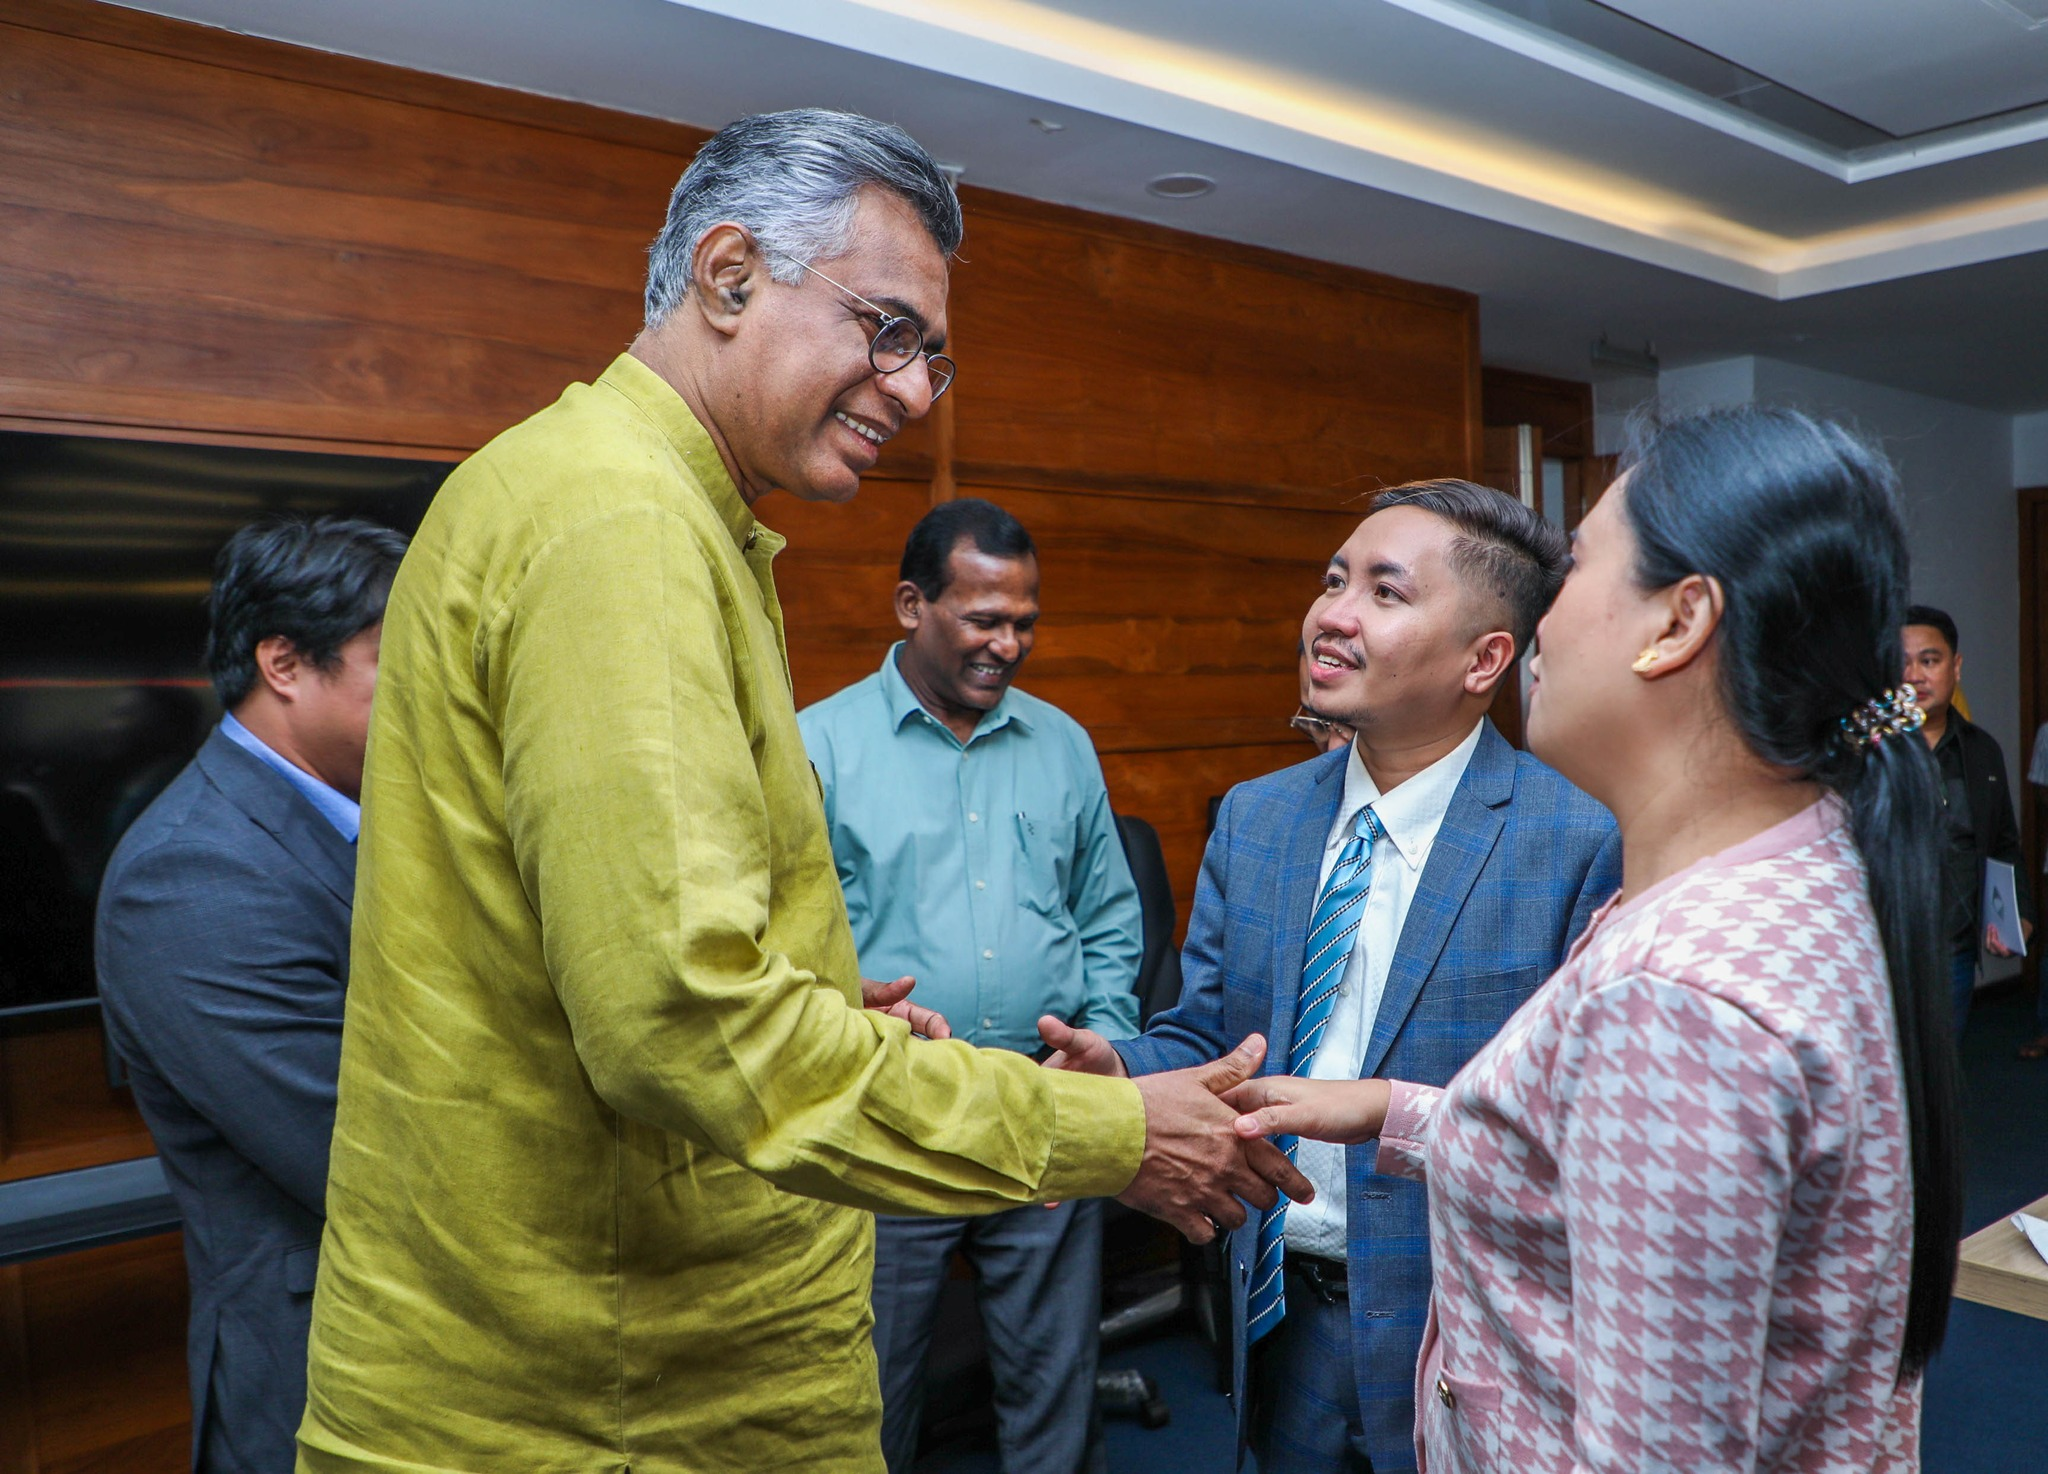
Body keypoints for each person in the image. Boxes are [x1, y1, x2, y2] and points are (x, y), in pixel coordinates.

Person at [297, 109, 1307, 1474]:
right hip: (608, 1396)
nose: (915, 390)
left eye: (934, 356)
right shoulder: (624, 527)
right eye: (888, 330)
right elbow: (682, 1018)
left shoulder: (646, 505)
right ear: (726, 276)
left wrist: (827, 994)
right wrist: (1107, 1129)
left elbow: (622, 951)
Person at [1226, 407, 1963, 1473]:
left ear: (1676, 623)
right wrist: (1390, 1110)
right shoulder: (1791, 875)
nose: (1537, 628)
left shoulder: (1677, 996)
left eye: (1571, 573)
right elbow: (1613, 1157)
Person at [1044, 480, 1620, 1473]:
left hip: (1466, 1326)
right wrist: (1122, 1069)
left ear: (1483, 658)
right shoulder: (1256, 816)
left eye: (1384, 593)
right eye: (1331, 579)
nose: (1331, 613)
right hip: (1278, 1311)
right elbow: (1213, 1036)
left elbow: (1583, 1126)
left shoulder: (1575, 838)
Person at [800, 498, 1143, 1474]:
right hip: (888, 1115)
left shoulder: (1062, 744)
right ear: (911, 604)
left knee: (1054, 1395)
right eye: (983, 618)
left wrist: (1102, 1048)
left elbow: (1108, 913)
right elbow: (778, 948)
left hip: (1043, 1103)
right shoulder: (816, 747)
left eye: (1024, 621)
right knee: (868, 1396)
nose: (1008, 643)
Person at [96, 515, 407, 1474]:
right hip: (328, 1380)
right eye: (399, 662)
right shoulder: (192, 873)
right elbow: (359, 1155)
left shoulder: (382, 817)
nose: (436, 699)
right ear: (283, 662)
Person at [1901, 604, 2033, 1033]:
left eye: (1929, 660)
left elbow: (2003, 843)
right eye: (1901, 662)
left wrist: (2019, 915)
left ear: (1955, 667)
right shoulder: (1871, 753)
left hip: (1952, 951)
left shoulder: (1982, 752)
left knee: (1941, 1080)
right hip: (1881, 951)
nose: (1915, 675)